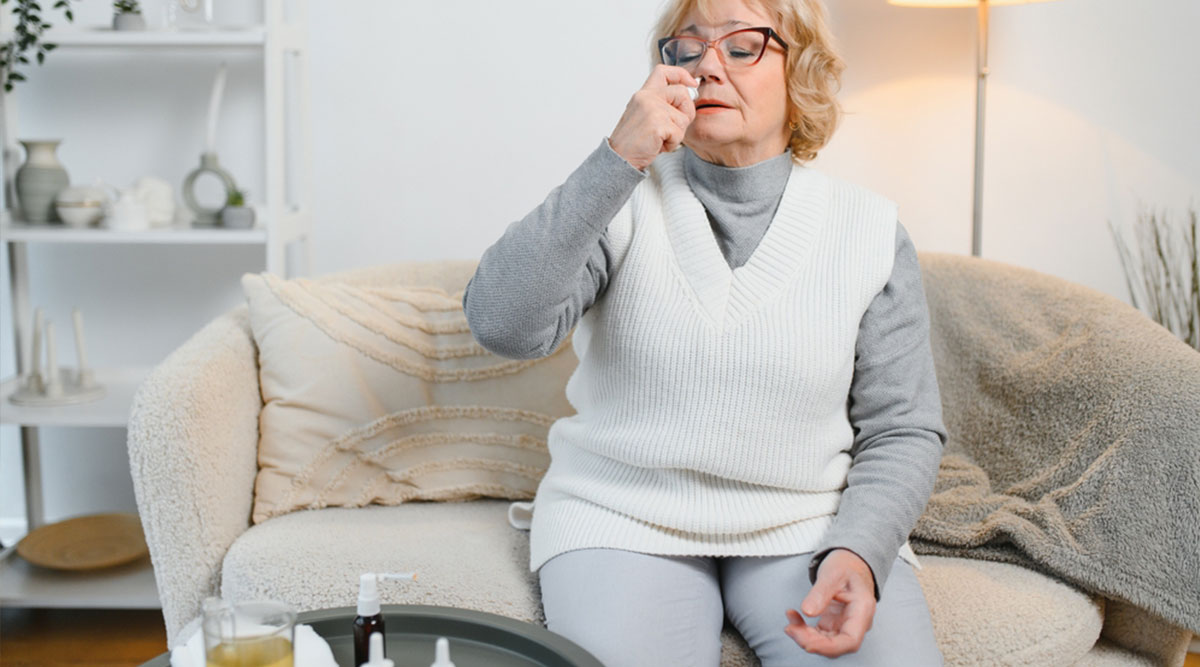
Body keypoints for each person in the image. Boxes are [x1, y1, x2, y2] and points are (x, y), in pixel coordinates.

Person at [462, 0, 947, 664]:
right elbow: (501, 323)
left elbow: (903, 427)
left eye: (742, 46)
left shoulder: (868, 231)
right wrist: (616, 158)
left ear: (801, 71)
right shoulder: (621, 199)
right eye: (687, 48)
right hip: (621, 517)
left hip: (804, 524)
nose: (707, 67)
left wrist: (859, 551)